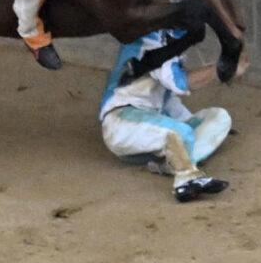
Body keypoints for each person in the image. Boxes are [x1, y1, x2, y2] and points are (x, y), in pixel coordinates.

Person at [99, 32, 233, 203]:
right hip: (121, 122)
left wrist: (190, 123)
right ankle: (186, 180)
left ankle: (170, 164)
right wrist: (223, 66)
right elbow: (178, 83)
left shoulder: (171, 41)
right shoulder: (150, 39)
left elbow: (168, 100)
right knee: (179, 133)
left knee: (219, 117)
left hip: (152, 126)